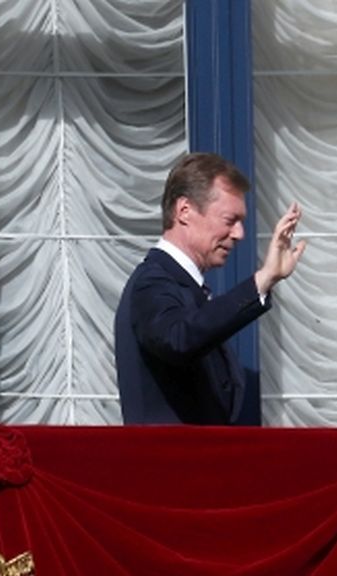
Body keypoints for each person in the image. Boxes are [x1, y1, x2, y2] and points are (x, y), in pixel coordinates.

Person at [114, 152, 307, 425]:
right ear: (185, 211)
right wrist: (262, 280)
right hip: (171, 464)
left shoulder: (183, 285)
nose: (239, 233)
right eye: (230, 220)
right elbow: (179, 339)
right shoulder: (153, 281)